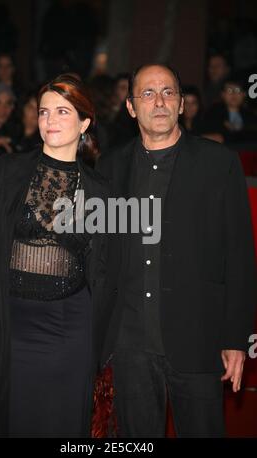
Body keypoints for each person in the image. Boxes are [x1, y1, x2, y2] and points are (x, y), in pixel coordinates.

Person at [96, 64, 256, 438]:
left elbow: (240, 257)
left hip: (198, 339)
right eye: (147, 94)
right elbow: (101, 256)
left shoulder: (219, 164)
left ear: (182, 103)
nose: (160, 102)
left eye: (168, 92)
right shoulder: (110, 166)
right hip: (129, 344)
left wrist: (235, 339)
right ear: (131, 107)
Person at [0, 73, 108, 438]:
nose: (49, 121)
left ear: (84, 122)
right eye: (43, 112)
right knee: (7, 419)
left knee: (59, 422)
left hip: (70, 326)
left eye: (61, 111)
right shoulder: (7, 171)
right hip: (9, 319)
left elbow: (107, 269)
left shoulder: (101, 192)